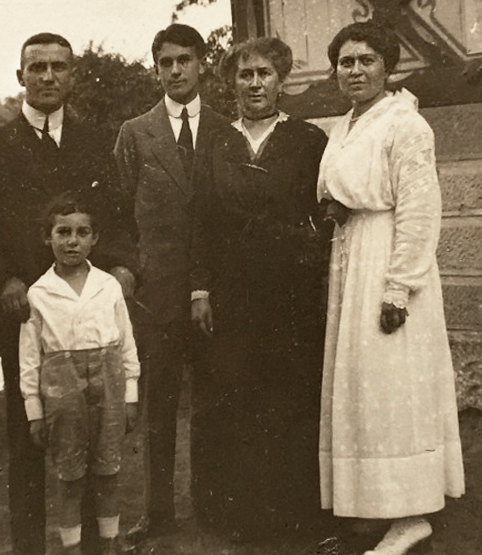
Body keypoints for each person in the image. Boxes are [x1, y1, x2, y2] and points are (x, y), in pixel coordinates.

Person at [0, 33, 128, 555]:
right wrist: (3, 279)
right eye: (37, 67)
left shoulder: (96, 142)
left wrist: (122, 267)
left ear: (72, 76)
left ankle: (97, 548)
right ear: (21, 76)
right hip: (25, 318)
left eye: (59, 67)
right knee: (29, 446)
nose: (48, 77)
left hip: (92, 324)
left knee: (99, 448)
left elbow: (118, 222)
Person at [316, 21, 465, 555]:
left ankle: (412, 515)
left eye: (366, 60)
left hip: (386, 262)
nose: (355, 70)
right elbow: (347, 186)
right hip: (352, 255)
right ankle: (376, 507)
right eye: (346, 62)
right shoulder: (348, 124)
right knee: (363, 390)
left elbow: (420, 211)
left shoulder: (406, 124)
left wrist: (399, 288)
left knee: (393, 387)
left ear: (387, 67)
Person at [189, 37, 331, 540]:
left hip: (290, 294)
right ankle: (244, 519)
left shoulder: (309, 140)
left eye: (264, 73)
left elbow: (324, 219)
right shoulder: (217, 143)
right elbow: (201, 222)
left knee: (291, 397)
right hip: (232, 295)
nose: (254, 83)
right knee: (237, 397)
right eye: (245, 74)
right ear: (232, 83)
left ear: (282, 80)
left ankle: (294, 514)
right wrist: (200, 290)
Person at [113, 23, 228, 541]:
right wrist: (130, 272)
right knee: (158, 408)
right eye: (166, 62)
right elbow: (117, 215)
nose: (176, 70)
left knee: (216, 403)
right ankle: (156, 512)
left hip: (216, 296)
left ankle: (213, 506)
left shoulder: (228, 129)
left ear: (201, 63)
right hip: (156, 298)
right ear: (155, 67)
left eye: (185, 59)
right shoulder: (135, 133)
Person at [19, 195, 140, 555]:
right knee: (69, 477)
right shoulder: (38, 294)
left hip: (109, 381)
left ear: (94, 239)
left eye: (82, 232)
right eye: (63, 232)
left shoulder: (108, 286)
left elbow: (126, 344)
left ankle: (108, 544)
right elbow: (30, 360)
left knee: (107, 472)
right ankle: (71, 550)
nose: (72, 241)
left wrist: (130, 396)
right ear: (48, 238)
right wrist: (34, 412)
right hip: (62, 389)